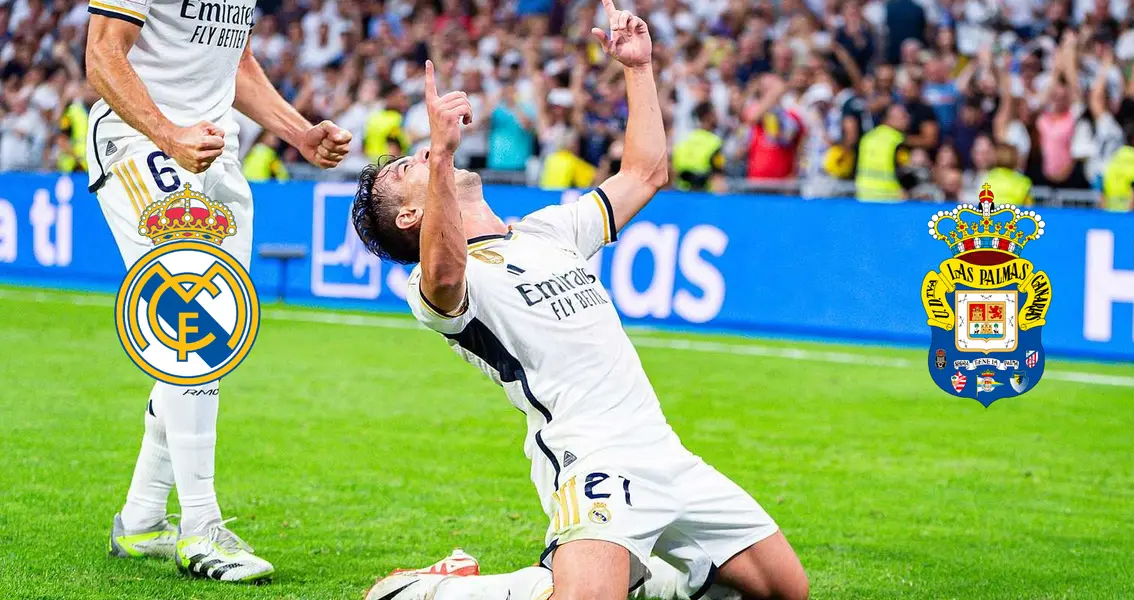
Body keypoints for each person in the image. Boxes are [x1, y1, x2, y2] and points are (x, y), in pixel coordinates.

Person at [350, 3, 809, 600]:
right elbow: (442, 268)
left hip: (662, 450)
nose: (426, 158)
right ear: (411, 215)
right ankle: (435, 593)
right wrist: (439, 152)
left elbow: (645, 173)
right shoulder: (435, 288)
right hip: (590, 458)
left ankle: (648, 580)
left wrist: (638, 68)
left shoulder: (546, 230)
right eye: (410, 168)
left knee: (784, 592)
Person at [85, 0, 351, 582]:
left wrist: (299, 134)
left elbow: (235, 63)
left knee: (217, 335)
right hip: (139, 141)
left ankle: (141, 521)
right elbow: (103, 55)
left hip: (213, 152)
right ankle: (200, 527)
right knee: (197, 323)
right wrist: (168, 133)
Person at [856, 104, 911, 202]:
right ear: (889, 118)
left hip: (864, 194)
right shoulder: (897, 140)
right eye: (903, 116)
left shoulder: (868, 137)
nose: (907, 120)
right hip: (889, 195)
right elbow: (903, 169)